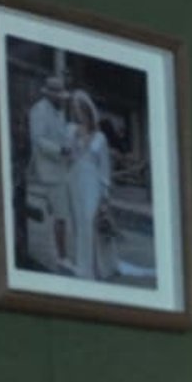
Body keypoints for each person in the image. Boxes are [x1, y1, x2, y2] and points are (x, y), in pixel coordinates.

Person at [24, 63, 76, 271]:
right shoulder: (39, 110)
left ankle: (61, 253)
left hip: (62, 169)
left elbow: (62, 136)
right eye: (59, 96)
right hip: (49, 171)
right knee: (60, 215)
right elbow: (38, 140)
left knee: (61, 215)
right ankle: (61, 256)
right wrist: (60, 150)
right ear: (50, 94)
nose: (61, 99)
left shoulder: (59, 112)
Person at [66, 89, 113, 280]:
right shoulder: (71, 130)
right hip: (74, 180)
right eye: (74, 109)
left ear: (87, 109)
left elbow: (104, 168)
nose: (77, 113)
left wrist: (105, 193)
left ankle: (93, 268)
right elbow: (68, 157)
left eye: (80, 109)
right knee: (79, 223)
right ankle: (83, 266)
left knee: (88, 221)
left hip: (92, 183)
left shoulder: (100, 138)